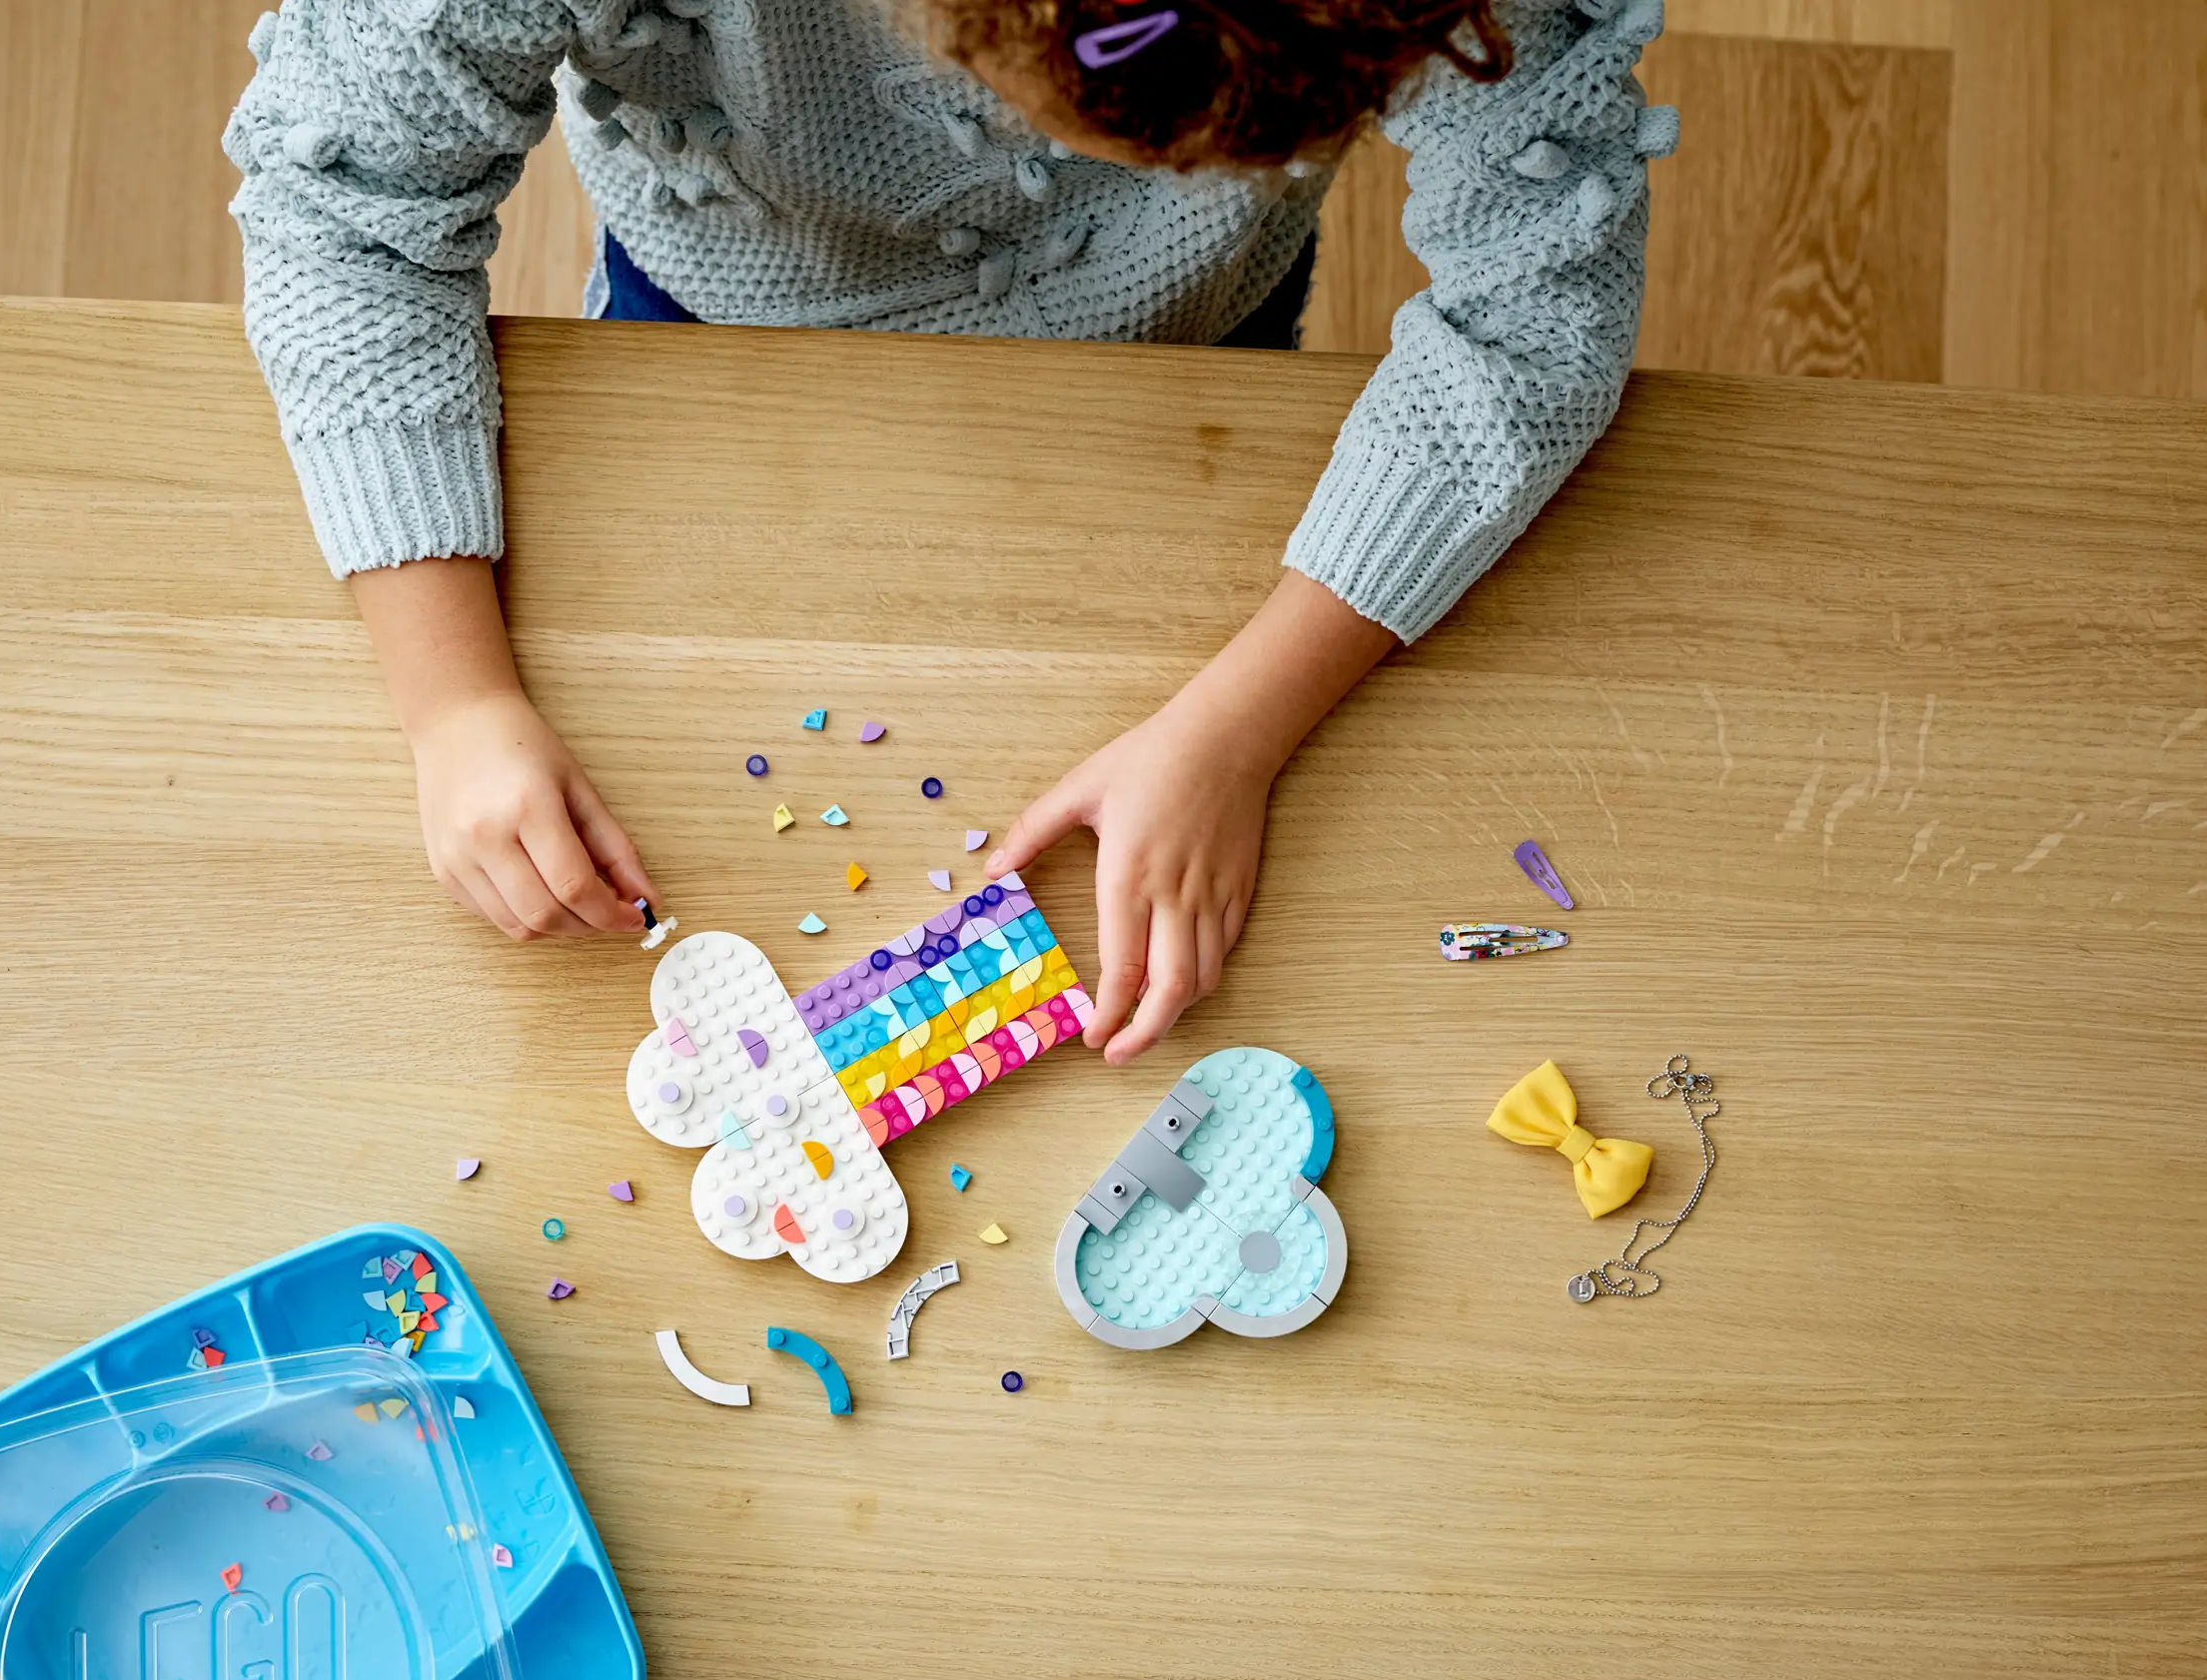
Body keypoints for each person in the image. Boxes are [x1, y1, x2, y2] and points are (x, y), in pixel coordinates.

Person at [226, 0, 1672, 1062]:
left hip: (1195, 367)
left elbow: (1534, 312)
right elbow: (342, 216)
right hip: (717, 329)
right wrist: (453, 700)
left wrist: (1240, 723)